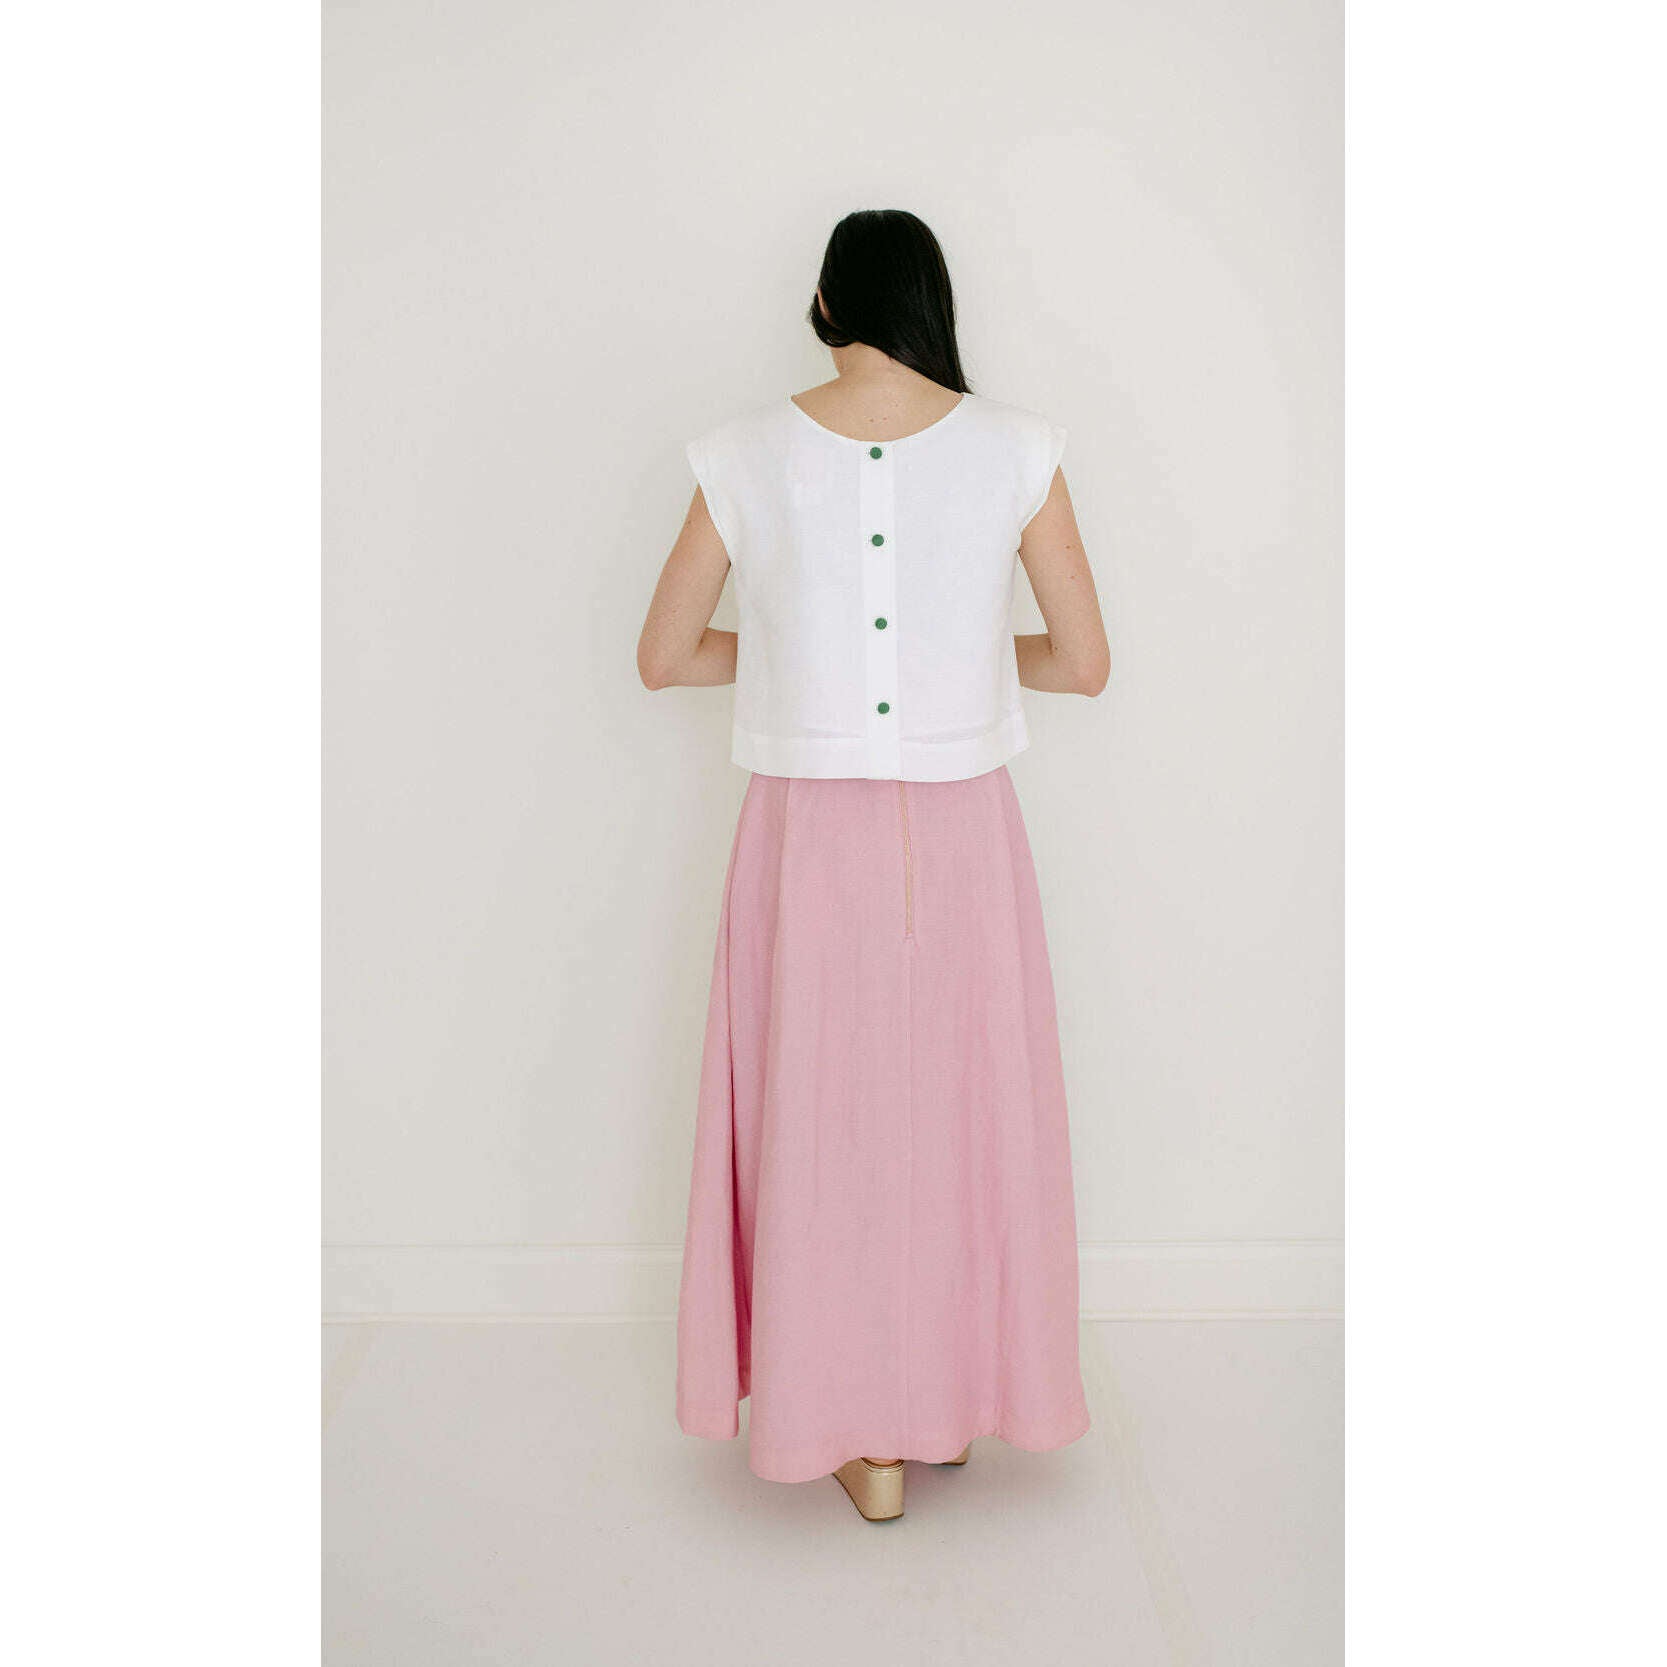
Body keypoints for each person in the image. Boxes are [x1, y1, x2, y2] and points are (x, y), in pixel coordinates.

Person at [637, 208, 1110, 1522]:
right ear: (929, 306)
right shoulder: (1020, 449)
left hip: (806, 834)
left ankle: (858, 1432)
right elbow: (1081, 662)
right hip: (964, 833)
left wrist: (812, 668)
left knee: (820, 1121)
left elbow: (667, 655)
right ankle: (946, 1401)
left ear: (829, 307)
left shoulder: (742, 452)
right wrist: (950, 662)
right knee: (963, 1117)